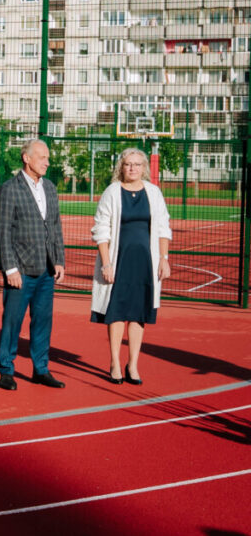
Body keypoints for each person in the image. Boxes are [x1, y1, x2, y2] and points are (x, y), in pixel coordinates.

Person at [91, 148, 172, 385]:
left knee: (139, 314)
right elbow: (101, 229)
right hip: (118, 261)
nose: (133, 168)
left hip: (145, 263)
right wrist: (106, 263)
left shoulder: (154, 193)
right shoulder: (112, 192)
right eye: (128, 164)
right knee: (116, 311)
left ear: (144, 168)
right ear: (121, 167)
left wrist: (164, 258)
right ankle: (115, 362)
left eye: (137, 164)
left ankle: (133, 364)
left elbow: (163, 227)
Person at [0, 139, 66, 391]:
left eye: (48, 158)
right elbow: (2, 231)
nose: (48, 162)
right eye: (43, 157)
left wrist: (59, 260)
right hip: (21, 271)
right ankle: (6, 369)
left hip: (46, 270)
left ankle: (41, 369)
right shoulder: (10, 189)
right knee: (12, 322)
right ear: (27, 158)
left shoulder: (50, 188)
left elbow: (55, 227)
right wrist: (10, 268)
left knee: (43, 321)